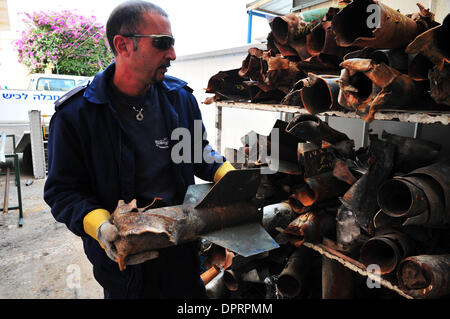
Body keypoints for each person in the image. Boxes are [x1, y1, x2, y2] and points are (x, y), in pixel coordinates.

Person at [43, 0, 235, 299]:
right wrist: (100, 226)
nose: (172, 54)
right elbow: (63, 192)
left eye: (172, 44)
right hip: (125, 263)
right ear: (123, 45)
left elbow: (197, 152)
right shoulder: (76, 115)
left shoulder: (179, 99)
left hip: (181, 249)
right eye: (162, 44)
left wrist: (226, 171)